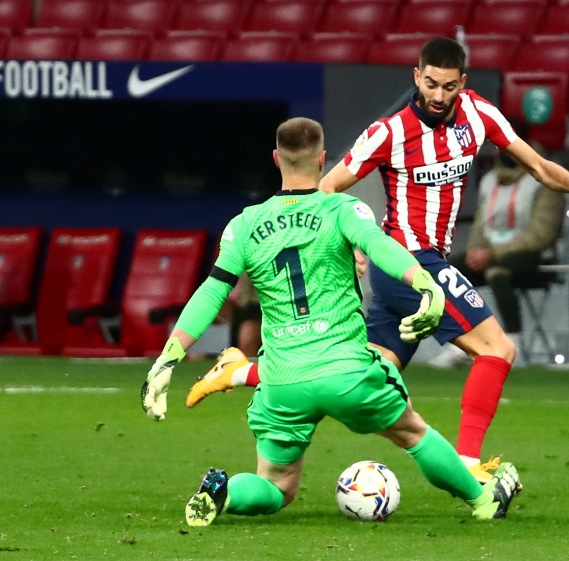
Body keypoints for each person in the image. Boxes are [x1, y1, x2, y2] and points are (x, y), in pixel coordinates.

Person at [186, 37, 569, 483]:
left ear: (462, 83)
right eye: (429, 84)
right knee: (497, 349)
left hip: (418, 266)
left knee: (368, 370)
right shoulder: (389, 133)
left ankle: (242, 371)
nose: (438, 96)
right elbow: (324, 191)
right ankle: (468, 465)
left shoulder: (480, 115)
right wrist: (350, 245)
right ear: (416, 78)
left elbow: (536, 165)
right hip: (409, 263)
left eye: (447, 86)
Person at [141, 117, 521, 525]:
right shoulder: (342, 208)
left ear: (275, 159)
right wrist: (425, 284)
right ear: (323, 160)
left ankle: (225, 491)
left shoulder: (244, 224)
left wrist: (169, 357)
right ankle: (482, 501)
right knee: (412, 431)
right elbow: (380, 246)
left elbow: (212, 291)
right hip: (346, 372)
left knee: (276, 486)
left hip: (281, 379)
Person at [435, 134, 566, 367]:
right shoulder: (489, 181)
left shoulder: (543, 180)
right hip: (490, 255)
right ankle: (460, 346)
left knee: (498, 273)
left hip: (534, 258)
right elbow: (480, 225)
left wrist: (493, 253)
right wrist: (476, 252)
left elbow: (541, 234)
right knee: (446, 273)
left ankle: (511, 349)